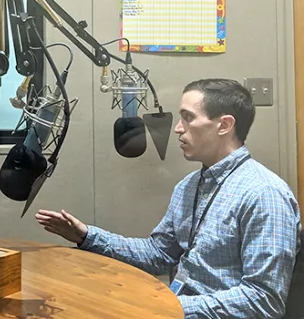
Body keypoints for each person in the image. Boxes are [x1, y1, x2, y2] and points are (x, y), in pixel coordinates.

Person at [35, 78, 302, 319]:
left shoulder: (265, 195)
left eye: (187, 118)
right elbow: (158, 254)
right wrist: (86, 236)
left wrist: (169, 307)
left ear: (224, 125)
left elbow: (264, 300)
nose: (177, 128)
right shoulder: (188, 186)